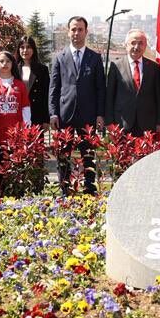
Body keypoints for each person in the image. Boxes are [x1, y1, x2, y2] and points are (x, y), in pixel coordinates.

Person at [48, 16, 106, 194]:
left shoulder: (95, 58)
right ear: (68, 32)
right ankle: (65, 189)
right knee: (63, 155)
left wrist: (100, 114)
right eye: (73, 29)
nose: (76, 33)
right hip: (64, 116)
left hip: (88, 116)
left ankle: (89, 189)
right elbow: (54, 88)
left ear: (86, 32)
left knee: (88, 155)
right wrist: (53, 113)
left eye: (80, 29)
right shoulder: (59, 57)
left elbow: (100, 89)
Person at [0, 48, 32, 195]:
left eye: (8, 61)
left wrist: (27, 131)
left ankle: (16, 197)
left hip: (16, 137)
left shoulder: (20, 85)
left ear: (13, 64)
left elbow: (25, 109)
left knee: (15, 170)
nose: (4, 64)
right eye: (1, 61)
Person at [107, 30, 160, 136]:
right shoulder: (116, 66)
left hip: (147, 123)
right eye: (133, 43)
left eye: (141, 43)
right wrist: (109, 122)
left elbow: (159, 97)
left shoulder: (154, 68)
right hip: (122, 123)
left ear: (145, 46)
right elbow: (110, 96)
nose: (136, 47)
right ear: (126, 45)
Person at [18, 35, 51, 128]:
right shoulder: (14, 69)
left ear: (33, 49)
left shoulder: (42, 69)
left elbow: (46, 95)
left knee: (36, 142)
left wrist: (46, 119)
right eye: (22, 47)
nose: (25, 50)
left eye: (28, 47)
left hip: (36, 114)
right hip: (18, 114)